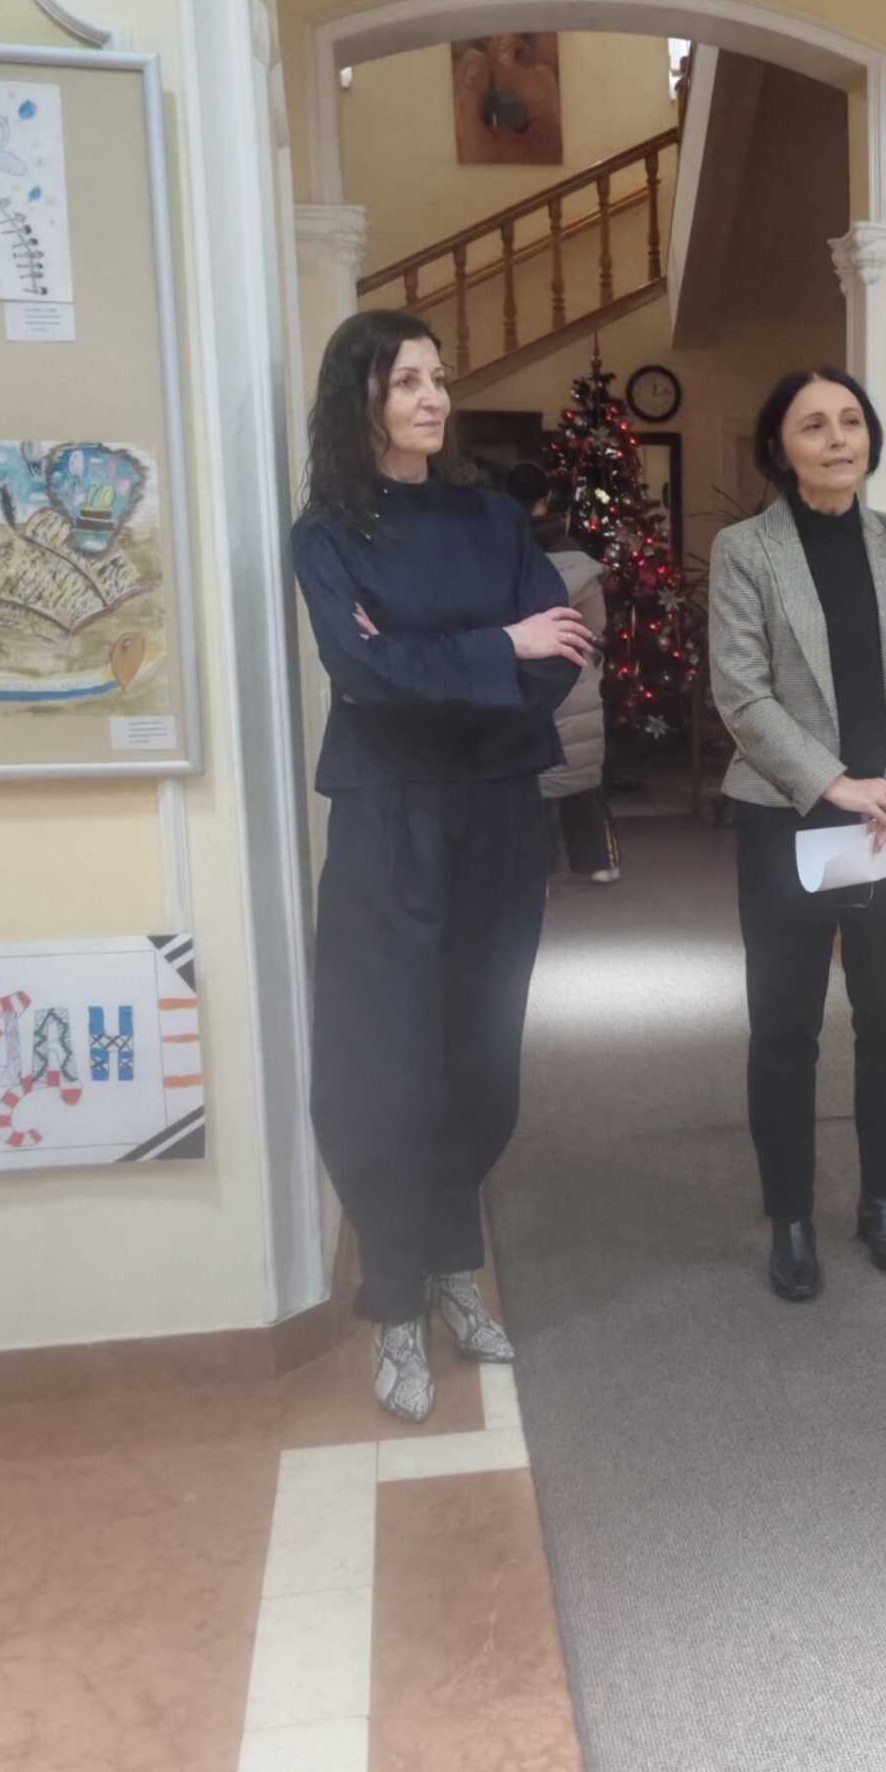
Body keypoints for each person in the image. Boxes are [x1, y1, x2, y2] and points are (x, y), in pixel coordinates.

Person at [292, 311, 593, 1421]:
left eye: (437, 377)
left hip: (499, 809)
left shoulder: (492, 519)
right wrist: (496, 649)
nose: (432, 398)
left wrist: (438, 671)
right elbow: (360, 674)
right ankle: (394, 1301)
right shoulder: (326, 535)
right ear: (360, 398)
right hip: (388, 816)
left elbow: (561, 651)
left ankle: (456, 1264)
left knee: (480, 1046)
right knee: (384, 1055)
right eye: (405, 380)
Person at [709, 368, 886, 1303]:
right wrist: (836, 783)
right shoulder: (746, 551)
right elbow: (742, 692)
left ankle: (884, 1201)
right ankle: (792, 1218)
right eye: (814, 425)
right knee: (785, 1028)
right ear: (780, 446)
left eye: (851, 421)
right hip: (789, 823)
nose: (839, 438)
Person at [510, 464, 620, 882]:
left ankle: (537, 870)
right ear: (547, 500)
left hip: (522, 675)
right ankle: (598, 864)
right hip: (573, 674)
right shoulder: (579, 562)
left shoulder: (504, 552)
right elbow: (596, 626)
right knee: (581, 770)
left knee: (528, 777)